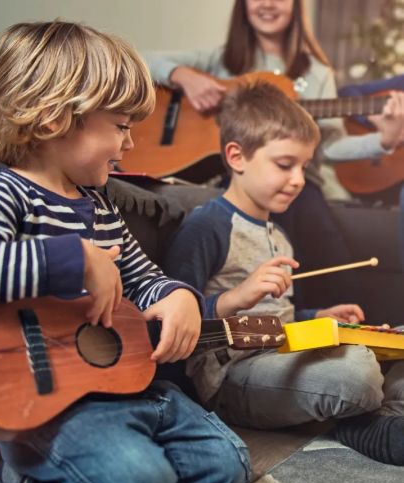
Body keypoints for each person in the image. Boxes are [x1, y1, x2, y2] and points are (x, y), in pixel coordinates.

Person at [0, 21, 251, 483]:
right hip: (52, 401)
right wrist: (75, 258)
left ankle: (125, 460)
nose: (132, 141)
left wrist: (177, 296)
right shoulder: (3, 195)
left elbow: (141, 277)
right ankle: (23, 477)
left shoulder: (99, 202)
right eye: (119, 126)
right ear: (51, 120)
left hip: (125, 385)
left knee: (228, 465)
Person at [163, 82, 404, 466]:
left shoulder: (279, 235)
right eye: (284, 165)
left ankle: (384, 412)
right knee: (356, 373)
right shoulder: (206, 226)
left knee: (395, 341)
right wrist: (235, 298)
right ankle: (363, 422)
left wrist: (318, 317)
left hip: (283, 349)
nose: (298, 179)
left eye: (304, 167)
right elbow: (173, 324)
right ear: (236, 156)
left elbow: (280, 320)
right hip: (233, 377)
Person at [145, 0, 404, 309]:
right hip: (228, 175)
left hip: (304, 186)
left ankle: (328, 319)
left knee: (304, 201)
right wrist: (183, 76)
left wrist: (384, 141)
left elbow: (331, 144)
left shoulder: (317, 72)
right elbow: (141, 60)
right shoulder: (221, 59)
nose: (267, 3)